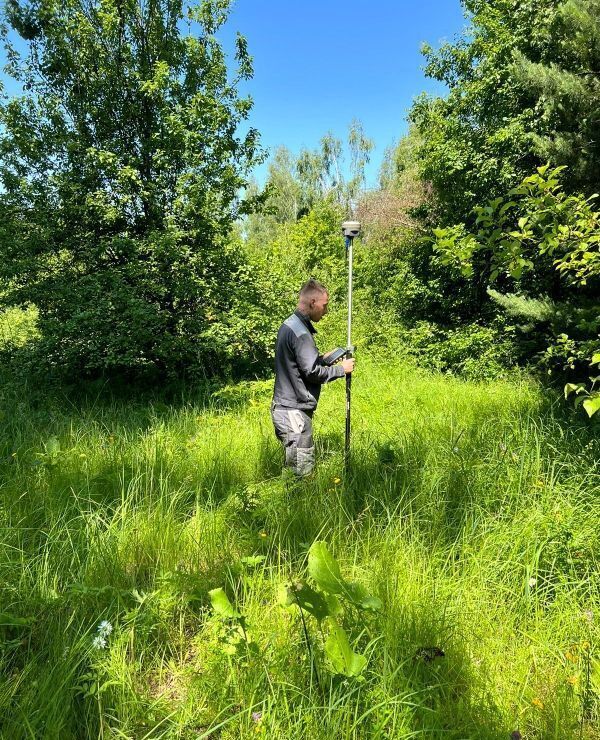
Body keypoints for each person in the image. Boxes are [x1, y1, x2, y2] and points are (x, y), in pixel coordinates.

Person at [271, 279, 354, 476]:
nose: (325, 312)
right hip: (294, 412)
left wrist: (323, 359)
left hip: (285, 408)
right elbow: (311, 372)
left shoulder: (290, 325)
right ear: (313, 302)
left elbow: (299, 365)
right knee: (301, 473)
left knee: (294, 468)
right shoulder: (302, 334)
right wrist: (342, 370)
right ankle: (298, 505)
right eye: (324, 306)